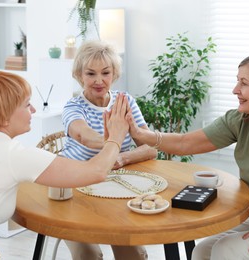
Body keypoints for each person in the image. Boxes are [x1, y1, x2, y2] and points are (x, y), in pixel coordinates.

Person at [0, 70, 130, 260]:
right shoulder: (13, 154)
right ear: (4, 116)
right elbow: (96, 172)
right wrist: (116, 136)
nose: (33, 109)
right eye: (26, 104)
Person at [126, 53, 249, 259]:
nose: (235, 90)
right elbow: (184, 143)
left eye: (244, 83)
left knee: (224, 251)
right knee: (202, 251)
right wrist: (140, 134)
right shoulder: (240, 120)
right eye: (237, 81)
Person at [61, 40, 156, 260]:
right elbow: (84, 136)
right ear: (79, 75)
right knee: (89, 255)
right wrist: (114, 139)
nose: (99, 80)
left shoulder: (125, 102)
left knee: (133, 254)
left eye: (105, 72)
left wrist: (120, 158)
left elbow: (150, 148)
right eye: (90, 73)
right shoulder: (73, 107)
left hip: (117, 191)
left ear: (114, 74)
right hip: (76, 192)